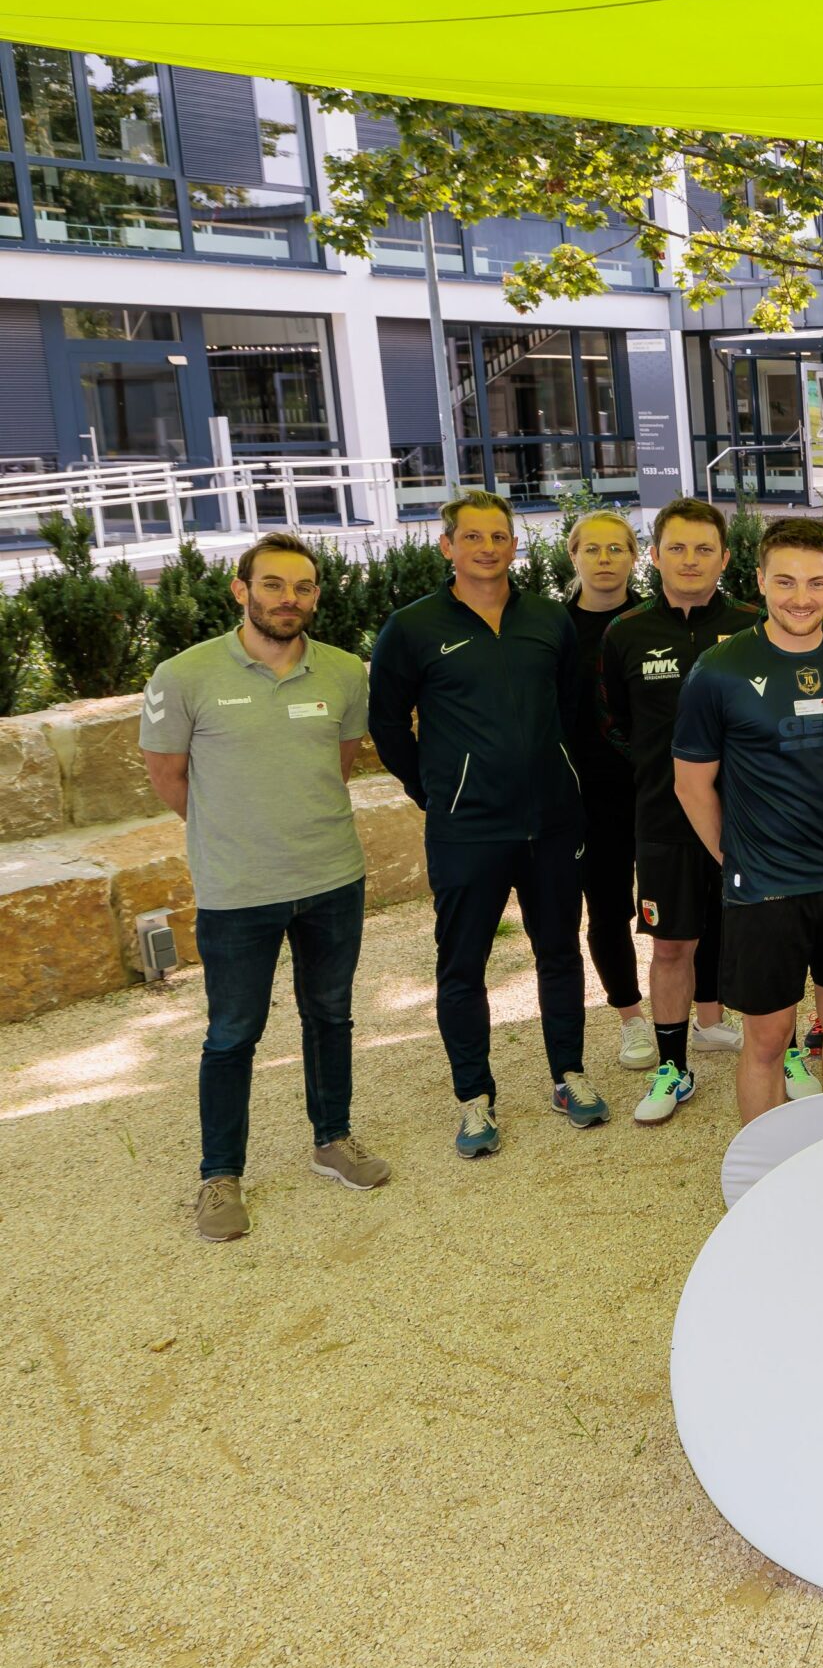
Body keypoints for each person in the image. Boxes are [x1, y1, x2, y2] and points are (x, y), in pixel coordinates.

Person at [142, 533, 378, 1242]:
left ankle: (332, 1139)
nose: (288, 599)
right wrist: (234, 833)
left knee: (330, 1015)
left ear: (316, 597)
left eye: (302, 587)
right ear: (241, 590)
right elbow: (168, 778)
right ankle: (220, 1175)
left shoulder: (344, 672)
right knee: (232, 1034)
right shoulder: (184, 675)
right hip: (237, 889)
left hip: (331, 876)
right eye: (273, 585)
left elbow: (337, 763)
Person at [370, 490, 601, 1156]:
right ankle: (474, 1098)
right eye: (472, 537)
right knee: (462, 965)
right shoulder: (412, 627)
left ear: (514, 544)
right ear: (447, 546)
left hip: (552, 822)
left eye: (499, 536)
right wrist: (433, 789)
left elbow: (569, 707)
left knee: (560, 952)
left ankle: (568, 1075)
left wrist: (557, 773)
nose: (488, 548)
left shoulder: (548, 619)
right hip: (467, 828)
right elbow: (387, 723)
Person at [671, 518, 823, 1124]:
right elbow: (691, 784)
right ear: (760, 580)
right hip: (764, 888)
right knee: (768, 1039)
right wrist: (735, 855)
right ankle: (763, 1167)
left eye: (817, 583)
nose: (802, 597)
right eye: (786, 581)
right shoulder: (719, 670)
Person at [598, 498, 760, 1125]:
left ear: (725, 557)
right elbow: (616, 724)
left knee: (763, 937)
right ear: (655, 554)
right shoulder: (626, 632)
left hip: (751, 817)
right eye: (677, 548)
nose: (690, 560)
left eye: (703, 549)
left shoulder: (753, 626)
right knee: (671, 946)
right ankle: (672, 1067)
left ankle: (782, 1050)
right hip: (664, 821)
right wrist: (657, 767)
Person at [559, 510, 649, 1072]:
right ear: (573, 555)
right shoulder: (555, 628)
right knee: (608, 908)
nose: (605, 559)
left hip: (657, 788)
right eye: (592, 549)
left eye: (616, 548)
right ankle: (631, 1018)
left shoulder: (652, 621)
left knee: (685, 905)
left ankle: (707, 1013)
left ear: (634, 557)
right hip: (589, 795)